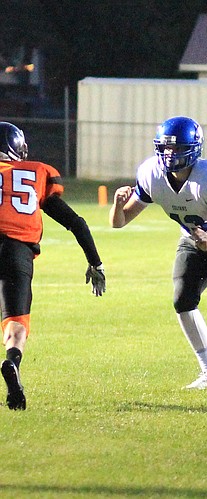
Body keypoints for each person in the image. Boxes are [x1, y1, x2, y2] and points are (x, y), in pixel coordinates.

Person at [110, 116, 207, 390]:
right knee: (182, 300)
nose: (170, 154)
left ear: (194, 149)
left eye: (177, 148)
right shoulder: (151, 174)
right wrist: (116, 204)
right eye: (165, 148)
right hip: (192, 240)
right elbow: (119, 222)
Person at [0, 121, 105, 410]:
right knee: (16, 321)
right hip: (16, 250)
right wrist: (95, 262)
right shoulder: (35, 173)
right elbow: (76, 223)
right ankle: (12, 361)